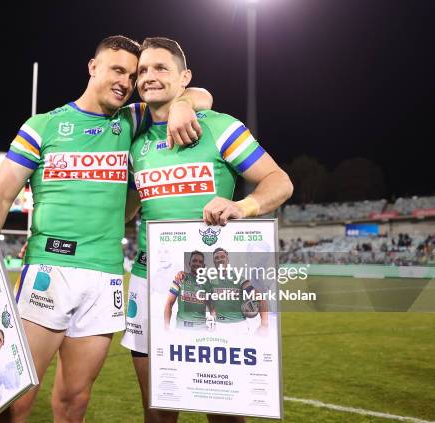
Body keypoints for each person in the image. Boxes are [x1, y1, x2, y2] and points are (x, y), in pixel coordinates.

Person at [0, 35, 213, 422]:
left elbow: (203, 95)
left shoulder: (131, 121)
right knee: (14, 398)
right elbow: (1, 194)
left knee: (74, 400)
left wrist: (181, 105)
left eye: (132, 74)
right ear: (93, 67)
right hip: (48, 271)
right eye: (117, 70)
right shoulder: (45, 126)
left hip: (104, 278)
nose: (126, 81)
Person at [122, 37, 293, 423]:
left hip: (217, 279)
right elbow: (131, 206)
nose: (149, 77)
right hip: (150, 279)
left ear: (184, 77)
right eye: (143, 71)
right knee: (158, 410)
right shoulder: (134, 139)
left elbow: (279, 182)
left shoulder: (220, 128)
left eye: (160, 68)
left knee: (224, 410)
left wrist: (242, 206)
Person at [210, 247, 268, 335]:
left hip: (239, 327)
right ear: (214, 261)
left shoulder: (238, 278)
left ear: (227, 259)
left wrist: (264, 324)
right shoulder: (212, 280)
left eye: (222, 257)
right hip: (219, 326)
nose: (220, 259)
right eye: (216, 258)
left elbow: (260, 297)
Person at [163, 250, 213, 330]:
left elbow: (212, 307)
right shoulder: (180, 277)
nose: (197, 263)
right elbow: (169, 303)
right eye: (194, 261)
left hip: (201, 330)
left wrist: (213, 325)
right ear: (189, 263)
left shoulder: (207, 282)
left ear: (203, 265)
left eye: (200, 262)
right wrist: (166, 328)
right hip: (182, 329)